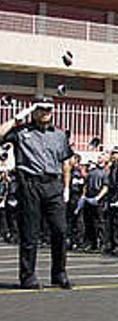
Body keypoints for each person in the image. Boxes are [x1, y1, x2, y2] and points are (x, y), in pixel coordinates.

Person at [0, 96, 75, 290]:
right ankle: (28, 276)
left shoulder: (59, 135)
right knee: (30, 233)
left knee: (60, 230)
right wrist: (17, 118)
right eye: (41, 109)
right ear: (34, 111)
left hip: (53, 184)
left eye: (48, 109)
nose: (45, 113)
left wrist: (66, 187)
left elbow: (66, 162)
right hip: (29, 184)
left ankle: (59, 274)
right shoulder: (21, 131)